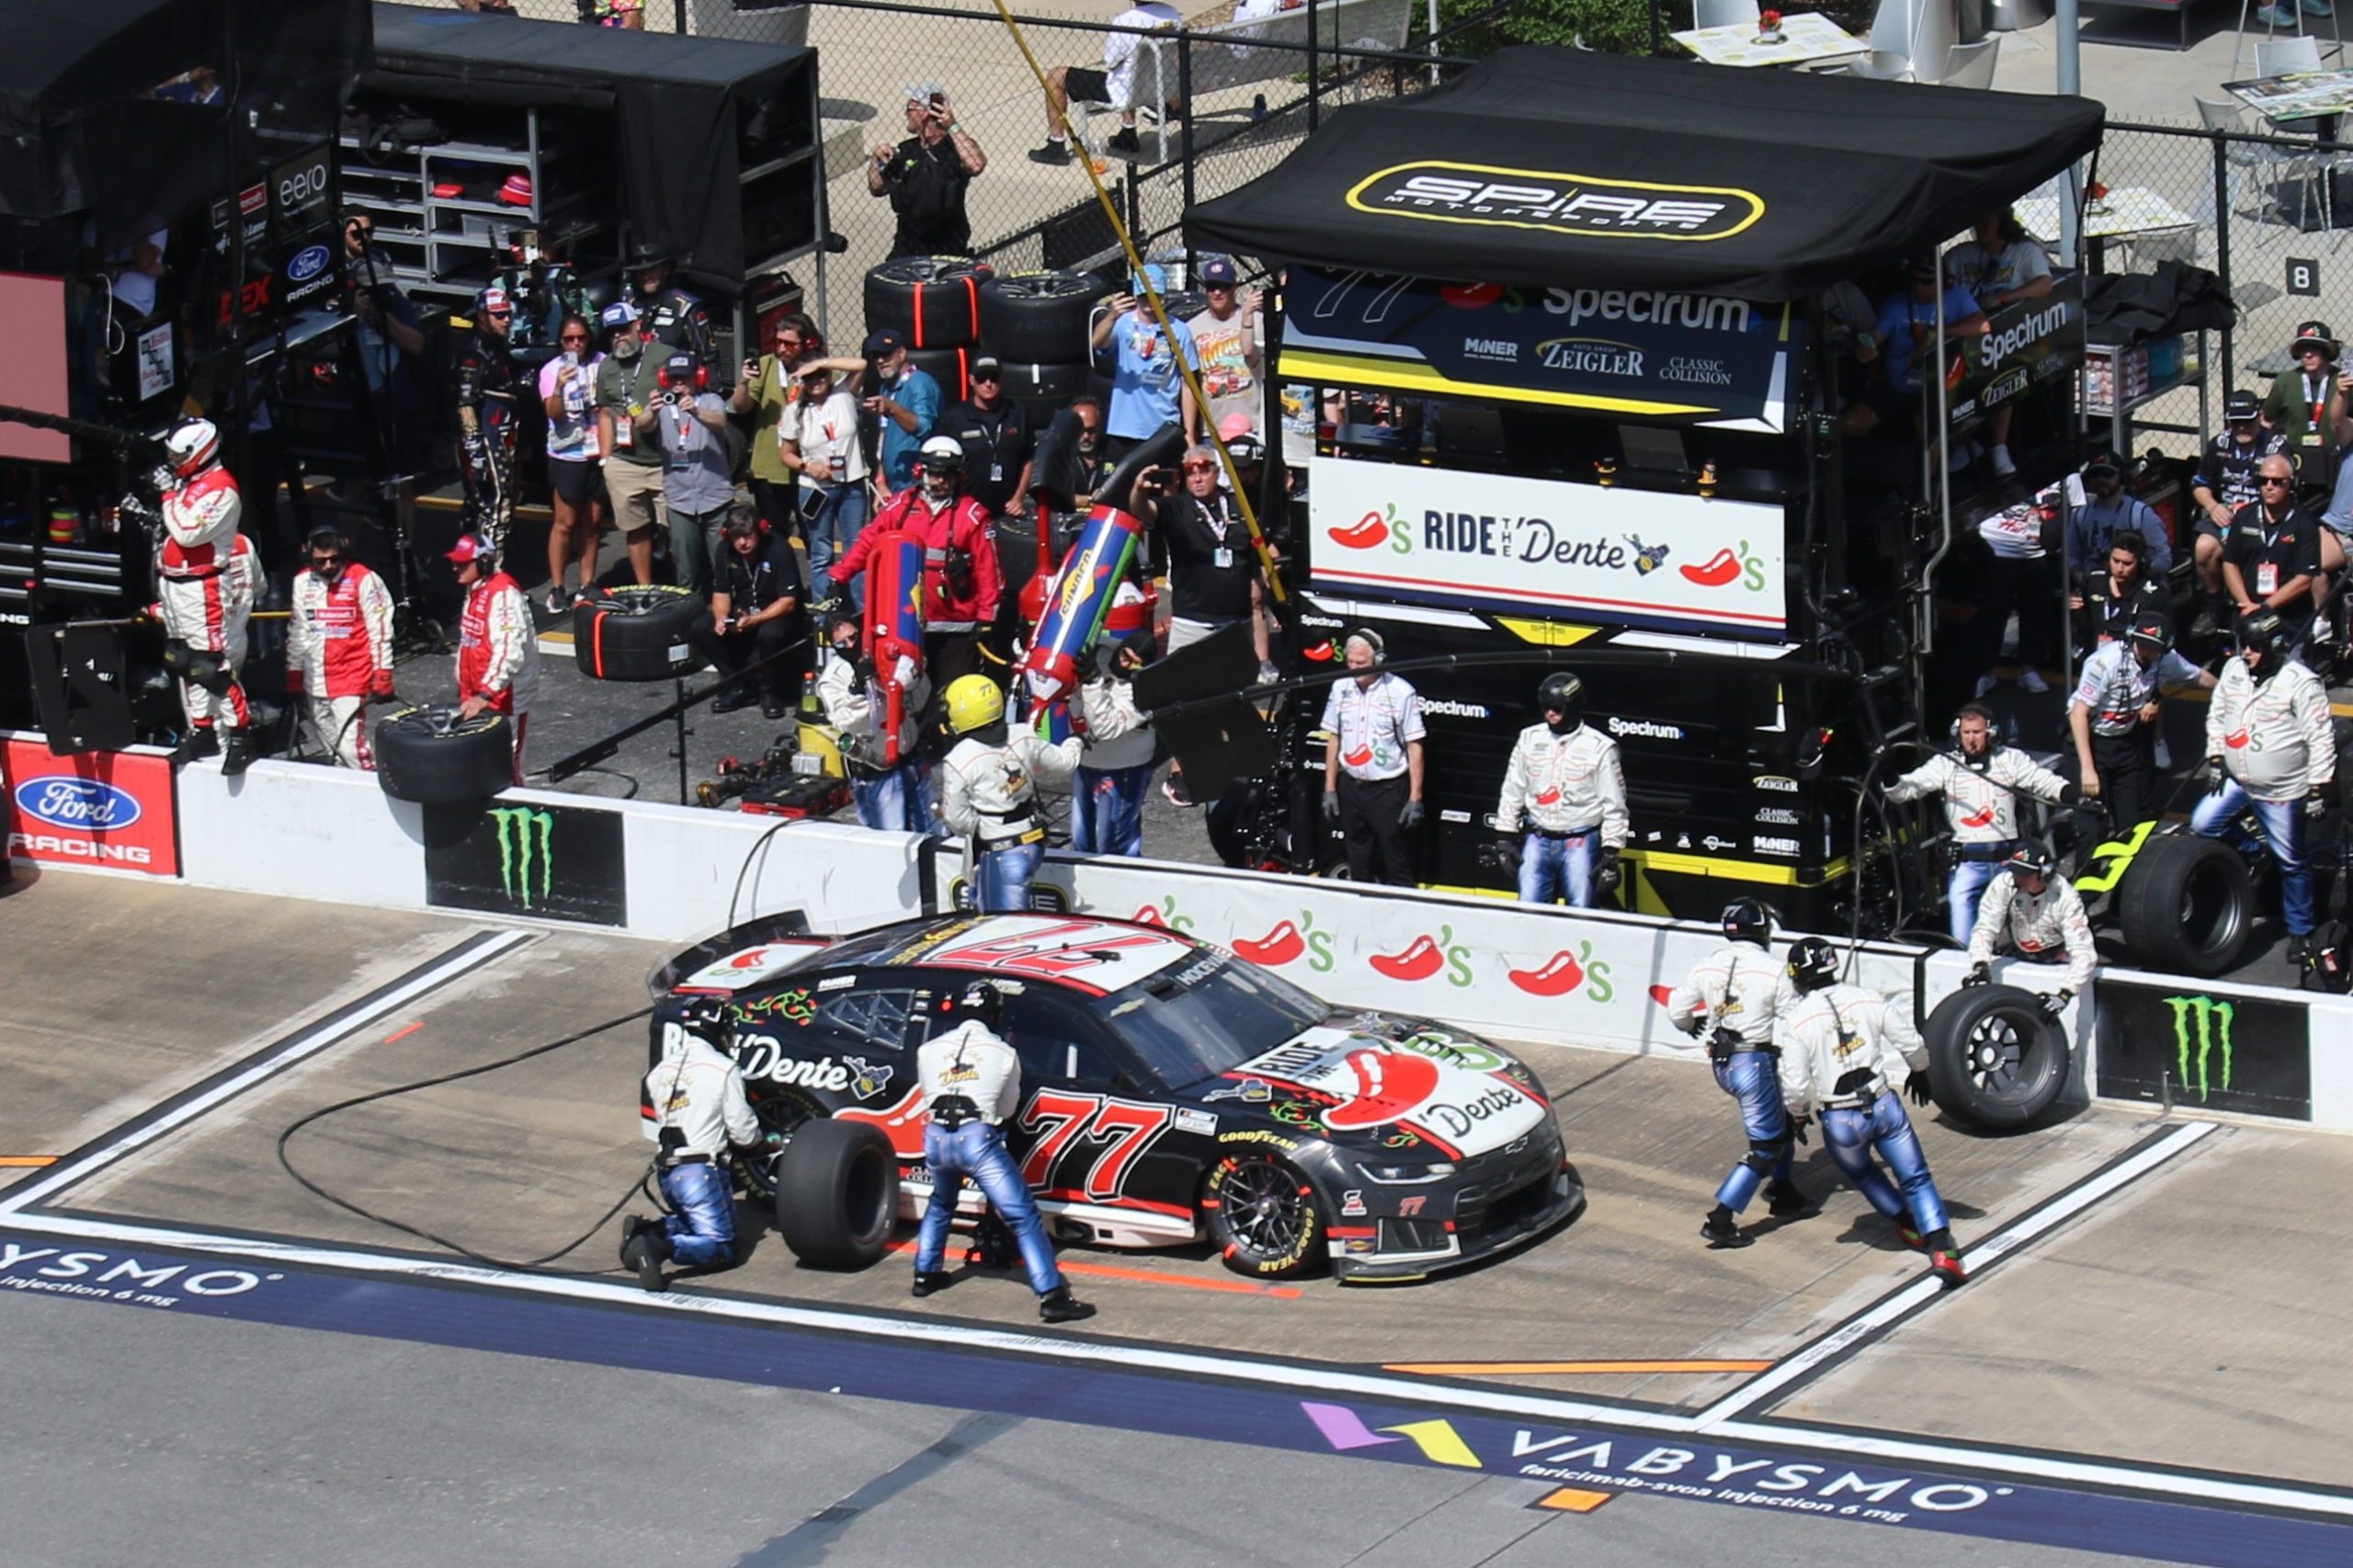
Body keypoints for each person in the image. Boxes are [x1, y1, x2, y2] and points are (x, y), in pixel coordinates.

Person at [1777, 937, 1966, 1288]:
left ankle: (1906, 1222)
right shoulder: (1867, 997)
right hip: (1882, 1103)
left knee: (1863, 1174)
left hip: (1840, 1118)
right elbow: (1910, 1041)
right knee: (1916, 1177)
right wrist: (1920, 1070)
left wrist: (1799, 1114)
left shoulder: (1797, 1021)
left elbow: (1796, 1085)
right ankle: (1943, 1249)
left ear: (1797, 975)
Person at [911, 980, 1095, 1323]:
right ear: (995, 1015)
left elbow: (926, 1094)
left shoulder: (928, 1049)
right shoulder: (1005, 1053)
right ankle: (1052, 1295)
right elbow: (1007, 1109)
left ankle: (925, 1274)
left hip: (935, 1136)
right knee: (1023, 1216)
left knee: (941, 1202)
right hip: (977, 1138)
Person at [1129, 443, 1272, 803]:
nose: (1196, 475)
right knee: (1184, 703)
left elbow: (1255, 549)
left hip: (1234, 621)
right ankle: (1182, 771)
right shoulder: (1177, 508)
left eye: (1204, 468)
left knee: (1233, 700)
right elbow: (1144, 511)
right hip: (1193, 619)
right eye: (1190, 470)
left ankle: (1237, 770)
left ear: (1216, 472)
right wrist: (1138, 490)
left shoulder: (1237, 505)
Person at [1665, 899, 1808, 1249]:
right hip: (1755, 1063)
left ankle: (1783, 1190)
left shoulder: (1707, 964)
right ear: (1763, 930)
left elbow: (1677, 1009)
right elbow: (1797, 1024)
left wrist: (1691, 1025)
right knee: (1765, 1147)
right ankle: (1721, 1219)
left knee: (1781, 1125)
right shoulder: (1775, 971)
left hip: (1722, 1063)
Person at [2197, 608, 2335, 961]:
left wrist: (2318, 787)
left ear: (2274, 645)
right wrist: (2216, 756)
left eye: (2255, 646)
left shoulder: (2301, 682)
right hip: (2237, 781)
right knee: (2203, 823)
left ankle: (2301, 932)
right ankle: (2254, 852)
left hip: (2282, 791)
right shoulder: (2234, 670)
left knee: (2291, 861)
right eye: (2244, 645)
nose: (2246, 653)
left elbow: (2321, 738)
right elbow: (2218, 713)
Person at [1887, 703, 2075, 945]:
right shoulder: (1946, 764)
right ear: (1957, 734)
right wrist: (1888, 774)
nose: (1971, 739)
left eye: (1977, 732)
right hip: (1967, 863)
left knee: (2033, 936)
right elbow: (1905, 790)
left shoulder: (2010, 760)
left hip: (2009, 861)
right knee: (1962, 934)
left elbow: (2043, 781)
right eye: (1966, 733)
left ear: (1991, 733)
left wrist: (2071, 793)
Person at [833, 436, 1003, 690]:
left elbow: (989, 571)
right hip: (905, 625)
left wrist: (987, 617)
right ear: (920, 471)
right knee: (904, 695)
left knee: (953, 695)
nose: (940, 480)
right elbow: (868, 542)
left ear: (957, 476)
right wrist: (839, 576)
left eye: (947, 475)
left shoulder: (973, 517)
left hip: (956, 628)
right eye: (934, 473)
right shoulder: (900, 506)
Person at [623, 995, 765, 1293]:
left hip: (667, 1173)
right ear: (716, 1030)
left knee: (694, 1224)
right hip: (701, 1172)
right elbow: (744, 1132)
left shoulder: (659, 1072)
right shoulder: (723, 1069)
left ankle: (647, 1232)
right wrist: (762, 1143)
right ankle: (657, 1247)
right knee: (723, 1247)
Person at [151, 418, 258, 774]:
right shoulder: (190, 482)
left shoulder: (222, 490)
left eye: (178, 456)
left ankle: (240, 735)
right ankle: (202, 730)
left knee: (210, 666)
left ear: (200, 450)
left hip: (203, 587)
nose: (173, 462)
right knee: (181, 659)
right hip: (173, 584)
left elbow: (187, 532)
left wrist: (167, 496)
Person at [938, 675, 1083, 912]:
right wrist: (1075, 741)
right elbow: (1065, 762)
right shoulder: (1023, 734)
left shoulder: (958, 760)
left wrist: (981, 824)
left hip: (1000, 850)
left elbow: (957, 820)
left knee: (1001, 924)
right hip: (1033, 840)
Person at [2068, 614, 2213, 837]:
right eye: (2142, 644)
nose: (2146, 652)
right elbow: (2078, 714)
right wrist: (2088, 770)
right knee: (2093, 825)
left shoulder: (2167, 661)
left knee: (2132, 825)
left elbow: (2197, 677)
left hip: (2125, 742)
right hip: (2091, 740)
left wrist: (2229, 689)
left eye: (2153, 648)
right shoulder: (2105, 663)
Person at [1495, 671, 1629, 907]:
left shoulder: (1600, 748)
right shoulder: (1528, 739)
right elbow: (1512, 790)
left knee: (1581, 909)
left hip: (1581, 840)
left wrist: (1611, 854)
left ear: (1574, 706)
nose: (1550, 713)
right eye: (1545, 708)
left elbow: (1615, 805)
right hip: (1537, 836)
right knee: (1527, 908)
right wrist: (1505, 837)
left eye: (1557, 708)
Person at [1942, 210, 2054, 479]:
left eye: (1987, 222)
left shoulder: (2024, 251)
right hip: (1966, 335)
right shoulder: (1961, 255)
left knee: (2003, 375)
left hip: (2009, 338)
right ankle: (1958, 443)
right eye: (1977, 222)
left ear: (2003, 223)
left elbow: (2044, 285)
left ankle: (1998, 448)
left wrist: (2004, 298)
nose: (1980, 227)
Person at [1320, 629, 1425, 886]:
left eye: (1361, 663)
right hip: (1351, 787)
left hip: (1388, 790)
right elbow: (1334, 738)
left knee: (1396, 858)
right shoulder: (1340, 687)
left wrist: (1415, 797)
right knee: (1357, 855)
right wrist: (1330, 788)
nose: (1354, 669)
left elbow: (1415, 745)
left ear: (1379, 660)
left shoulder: (1401, 692)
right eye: (1350, 662)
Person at [285, 527, 395, 769]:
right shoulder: (301, 581)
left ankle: (369, 784)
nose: (328, 565)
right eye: (321, 560)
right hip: (314, 678)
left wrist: (383, 673)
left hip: (352, 676)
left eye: (334, 559)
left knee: (350, 749)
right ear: (310, 557)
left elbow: (381, 631)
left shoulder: (365, 579)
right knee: (331, 748)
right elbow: (298, 631)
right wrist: (294, 673)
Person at [1843, 259, 1985, 446]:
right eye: (1914, 281)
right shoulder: (1896, 303)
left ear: (1942, 281)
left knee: (1927, 425)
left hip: (1938, 389)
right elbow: (1877, 334)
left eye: (1927, 281)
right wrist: (1867, 345)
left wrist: (1937, 333)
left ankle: (1936, 464)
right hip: (1895, 388)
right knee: (1848, 424)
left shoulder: (1957, 297)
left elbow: (1982, 325)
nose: (1919, 287)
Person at [1029, 1, 1182, 165]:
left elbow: (1111, 61)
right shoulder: (1171, 14)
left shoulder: (1125, 20)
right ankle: (1128, 134)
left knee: (1055, 76)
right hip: (1158, 87)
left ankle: (1056, 145)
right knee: (1129, 72)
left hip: (1123, 92)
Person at [816, 611, 930, 830]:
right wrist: (859, 691)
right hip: (877, 770)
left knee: (933, 830)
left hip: (912, 757)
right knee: (891, 836)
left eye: (854, 637)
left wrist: (912, 677)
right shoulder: (832, 679)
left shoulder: (887, 655)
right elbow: (846, 722)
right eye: (841, 643)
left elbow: (918, 701)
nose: (851, 645)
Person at [2194, 391, 2290, 637]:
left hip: (2264, 516)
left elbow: (2286, 492)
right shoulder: (2220, 444)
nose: (2242, 428)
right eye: (2236, 422)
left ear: (2259, 417)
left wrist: (2251, 513)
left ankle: (2264, 608)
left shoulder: (2275, 447)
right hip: (2225, 516)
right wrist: (2213, 506)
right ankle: (2214, 607)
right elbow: (2200, 485)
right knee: (2204, 547)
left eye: (2247, 421)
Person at [689, 513, 801, 720]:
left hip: (777, 612)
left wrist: (756, 620)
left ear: (759, 531)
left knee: (771, 633)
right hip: (744, 611)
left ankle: (770, 691)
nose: (742, 542)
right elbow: (721, 592)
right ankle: (738, 686)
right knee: (701, 627)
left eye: (747, 536)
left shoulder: (779, 549)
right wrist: (721, 618)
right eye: (736, 537)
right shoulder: (724, 550)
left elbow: (788, 602)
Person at [449, 534, 538, 785]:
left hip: (505, 696)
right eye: (455, 562)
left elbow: (510, 651)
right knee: (476, 760)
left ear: (484, 561)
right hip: (477, 693)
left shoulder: (504, 594)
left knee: (506, 764)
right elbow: (470, 639)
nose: (455, 568)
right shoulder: (476, 588)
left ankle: (518, 805)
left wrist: (485, 694)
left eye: (462, 563)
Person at [779, 361, 870, 592]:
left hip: (852, 485)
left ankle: (858, 607)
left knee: (856, 549)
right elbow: (786, 454)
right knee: (821, 550)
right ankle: (824, 606)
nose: (815, 381)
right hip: (816, 488)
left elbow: (861, 365)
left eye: (820, 375)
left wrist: (819, 362)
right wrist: (807, 465)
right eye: (809, 378)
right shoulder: (794, 410)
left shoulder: (843, 394)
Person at [1964, 846, 2096, 1005]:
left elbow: (2084, 950)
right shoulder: (2004, 884)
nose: (2017, 878)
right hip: (2019, 954)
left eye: (2025, 874)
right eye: (2015, 871)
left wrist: (2066, 993)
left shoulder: (2066, 897)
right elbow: (1985, 927)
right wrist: (1980, 964)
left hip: (2059, 961)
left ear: (2045, 874)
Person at [734, 312, 821, 553]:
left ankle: (821, 578)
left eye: (790, 344)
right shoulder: (766, 365)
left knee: (815, 533)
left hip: (809, 471)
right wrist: (743, 383)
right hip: (769, 471)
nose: (782, 349)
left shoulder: (819, 369)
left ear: (807, 343)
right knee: (774, 539)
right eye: (778, 342)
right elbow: (741, 407)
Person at [651, 352, 734, 597]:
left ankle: (727, 610)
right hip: (680, 500)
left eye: (684, 378)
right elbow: (642, 424)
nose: (679, 384)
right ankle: (689, 611)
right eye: (674, 379)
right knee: (686, 569)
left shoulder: (710, 400)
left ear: (697, 377)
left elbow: (720, 422)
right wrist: (652, 411)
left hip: (715, 498)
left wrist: (696, 411)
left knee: (723, 564)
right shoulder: (663, 404)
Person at [870, 83, 987, 258]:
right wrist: (876, 160)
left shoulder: (953, 149)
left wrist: (952, 126)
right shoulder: (906, 150)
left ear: (924, 113)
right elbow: (877, 188)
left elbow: (976, 165)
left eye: (909, 108)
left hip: (948, 248)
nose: (906, 114)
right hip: (907, 248)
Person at [539, 312, 606, 612]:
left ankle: (587, 584)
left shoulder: (601, 362)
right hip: (568, 454)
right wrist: (559, 387)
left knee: (592, 524)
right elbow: (553, 414)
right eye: (569, 339)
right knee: (565, 523)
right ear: (561, 341)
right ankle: (557, 586)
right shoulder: (551, 370)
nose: (576, 344)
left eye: (581, 338)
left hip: (596, 451)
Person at [594, 302, 663, 587]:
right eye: (612, 333)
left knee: (677, 528)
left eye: (623, 329)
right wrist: (605, 460)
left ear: (637, 326)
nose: (618, 337)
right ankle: (645, 589)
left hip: (664, 460)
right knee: (636, 529)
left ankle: (682, 588)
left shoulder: (663, 355)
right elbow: (605, 412)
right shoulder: (607, 367)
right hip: (624, 461)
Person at [1093, 275, 1199, 458]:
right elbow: (1097, 343)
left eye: (1155, 295)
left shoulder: (1180, 330)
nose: (1150, 301)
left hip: (1163, 426)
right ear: (1136, 296)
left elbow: (1188, 383)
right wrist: (1111, 316)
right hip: (1125, 428)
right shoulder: (1123, 323)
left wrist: (1189, 432)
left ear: (1163, 295)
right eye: (1144, 296)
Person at [1072, 630, 1156, 855]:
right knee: (1081, 841)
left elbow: (1105, 727)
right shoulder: (1100, 650)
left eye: (1135, 663)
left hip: (1122, 771)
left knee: (1116, 846)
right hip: (1085, 760)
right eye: (1125, 656)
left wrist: (1092, 682)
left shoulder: (1145, 691)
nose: (1126, 664)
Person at [2223, 452, 2321, 645]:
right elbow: (2230, 563)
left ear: (2291, 484)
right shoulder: (2244, 516)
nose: (2269, 486)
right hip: (2247, 615)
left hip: (2289, 620)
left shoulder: (2305, 522)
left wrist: (2264, 608)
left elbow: (2304, 579)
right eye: (2263, 480)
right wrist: (2247, 604)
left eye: (2277, 482)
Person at [452, 287, 521, 551]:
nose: (507, 319)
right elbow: (464, 404)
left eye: (508, 314)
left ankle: (472, 561)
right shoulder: (473, 352)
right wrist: (475, 452)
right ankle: (490, 569)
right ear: (482, 316)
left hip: (500, 436)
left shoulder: (495, 345)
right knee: (496, 505)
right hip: (485, 441)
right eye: (499, 315)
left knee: (482, 506)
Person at [2259, 320, 2349, 491]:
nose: (2307, 354)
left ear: (2327, 350)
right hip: (2297, 459)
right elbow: (2267, 421)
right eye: (2303, 349)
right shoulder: (2286, 381)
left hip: (2336, 458)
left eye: (2314, 349)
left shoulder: (2342, 382)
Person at [945, 356, 1036, 522]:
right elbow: (944, 467)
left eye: (994, 377)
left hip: (1009, 511)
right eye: (982, 378)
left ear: (1002, 379)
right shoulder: (954, 417)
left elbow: (1028, 459)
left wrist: (1019, 497)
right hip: (967, 512)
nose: (988, 383)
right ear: (971, 380)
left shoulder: (1017, 412)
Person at [1185, 259, 1262, 443]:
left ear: (1235, 287)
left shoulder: (1257, 320)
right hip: (1213, 429)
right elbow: (1189, 383)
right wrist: (1190, 432)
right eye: (1211, 287)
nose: (1217, 293)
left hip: (1254, 425)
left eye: (1223, 287)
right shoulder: (1192, 328)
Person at [860, 328, 942, 495]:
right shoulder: (886, 387)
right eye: (876, 356)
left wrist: (893, 409)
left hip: (918, 484)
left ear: (902, 353)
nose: (881, 360)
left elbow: (924, 427)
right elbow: (883, 437)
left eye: (886, 354)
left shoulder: (920, 384)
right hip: (892, 486)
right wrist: (881, 481)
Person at [2067, 449, 2172, 581]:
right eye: (2096, 475)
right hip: (2094, 586)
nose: (2101, 480)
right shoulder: (2080, 516)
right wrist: (2079, 575)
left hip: (2135, 587)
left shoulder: (2140, 514)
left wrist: (2138, 571)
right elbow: (2071, 555)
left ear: (2121, 477)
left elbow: (2163, 557)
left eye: (2108, 475)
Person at [2068, 528, 2165, 655]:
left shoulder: (2154, 595)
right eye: (2115, 561)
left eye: (2127, 563)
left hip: (2133, 659)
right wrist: (2076, 610)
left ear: (2140, 563)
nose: (2119, 569)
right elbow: (2086, 623)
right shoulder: (2094, 581)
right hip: (2096, 657)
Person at [626, 245, 716, 364]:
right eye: (641, 272)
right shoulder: (629, 306)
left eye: (652, 270)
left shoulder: (686, 307)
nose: (646, 277)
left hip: (676, 373)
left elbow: (709, 358)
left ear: (666, 269)